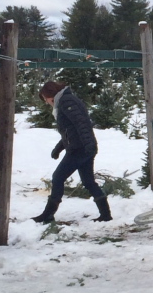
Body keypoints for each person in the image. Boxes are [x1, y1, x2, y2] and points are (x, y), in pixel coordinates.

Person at [31, 80, 112, 223]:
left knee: (58, 177)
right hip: (83, 148)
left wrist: (88, 145)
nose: (46, 102)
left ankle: (48, 214)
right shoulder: (66, 101)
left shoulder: (66, 102)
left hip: (79, 149)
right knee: (88, 182)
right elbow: (71, 131)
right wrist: (59, 148)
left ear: (51, 95)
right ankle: (105, 214)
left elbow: (81, 124)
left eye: (45, 99)